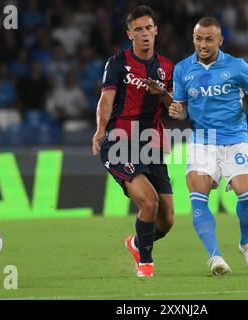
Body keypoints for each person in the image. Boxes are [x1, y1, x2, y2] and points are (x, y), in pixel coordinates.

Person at [169, 17, 248, 275]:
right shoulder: (182, 69)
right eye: (198, 39)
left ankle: (245, 242)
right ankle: (215, 257)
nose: (203, 44)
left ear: (220, 40)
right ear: (193, 39)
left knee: (247, 197)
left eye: (209, 39)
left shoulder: (237, 66)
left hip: (234, 140)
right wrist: (177, 111)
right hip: (202, 141)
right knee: (198, 199)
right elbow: (182, 110)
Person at [92, 5, 174, 278]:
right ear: (130, 34)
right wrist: (100, 130)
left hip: (151, 145)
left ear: (156, 31)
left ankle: (136, 243)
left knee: (167, 219)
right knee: (148, 202)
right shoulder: (117, 63)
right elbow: (106, 100)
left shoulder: (167, 68)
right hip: (119, 142)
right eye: (138, 30)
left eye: (148, 28)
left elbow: (179, 110)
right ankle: (146, 265)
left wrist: (163, 94)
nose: (144, 34)